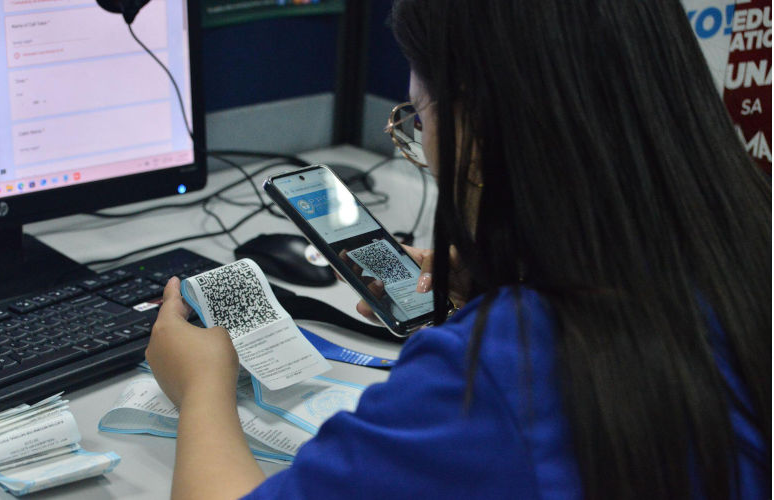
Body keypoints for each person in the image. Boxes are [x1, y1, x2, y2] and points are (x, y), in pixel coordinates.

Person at [145, 0, 771, 498]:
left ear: (476, 123)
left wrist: (202, 388)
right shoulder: (745, 251)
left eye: (417, 120)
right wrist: (521, 280)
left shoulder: (502, 373)